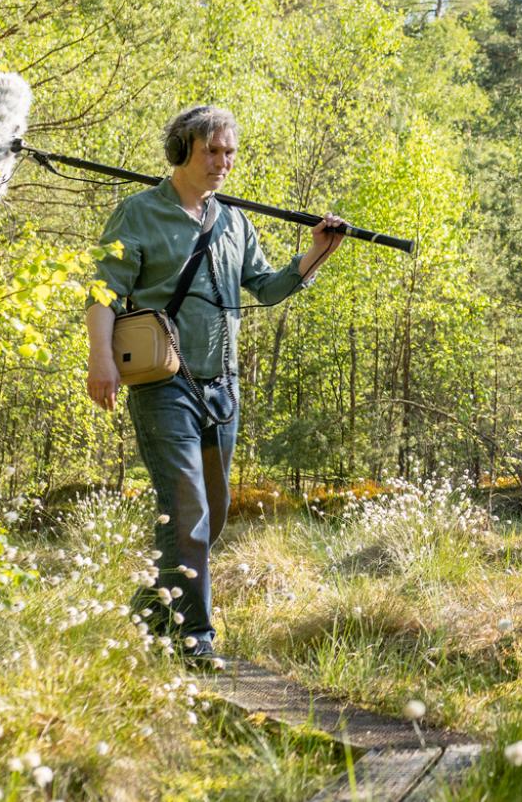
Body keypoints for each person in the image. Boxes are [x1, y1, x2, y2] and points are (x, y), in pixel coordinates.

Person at [83, 105, 345, 668]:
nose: (222, 162)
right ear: (181, 152)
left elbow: (268, 288)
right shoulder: (138, 214)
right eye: (212, 151)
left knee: (214, 509)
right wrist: (100, 359)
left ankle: (155, 607)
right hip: (163, 384)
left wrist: (317, 252)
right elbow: (103, 290)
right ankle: (194, 637)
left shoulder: (234, 223)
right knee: (188, 507)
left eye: (229, 152)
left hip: (222, 387)